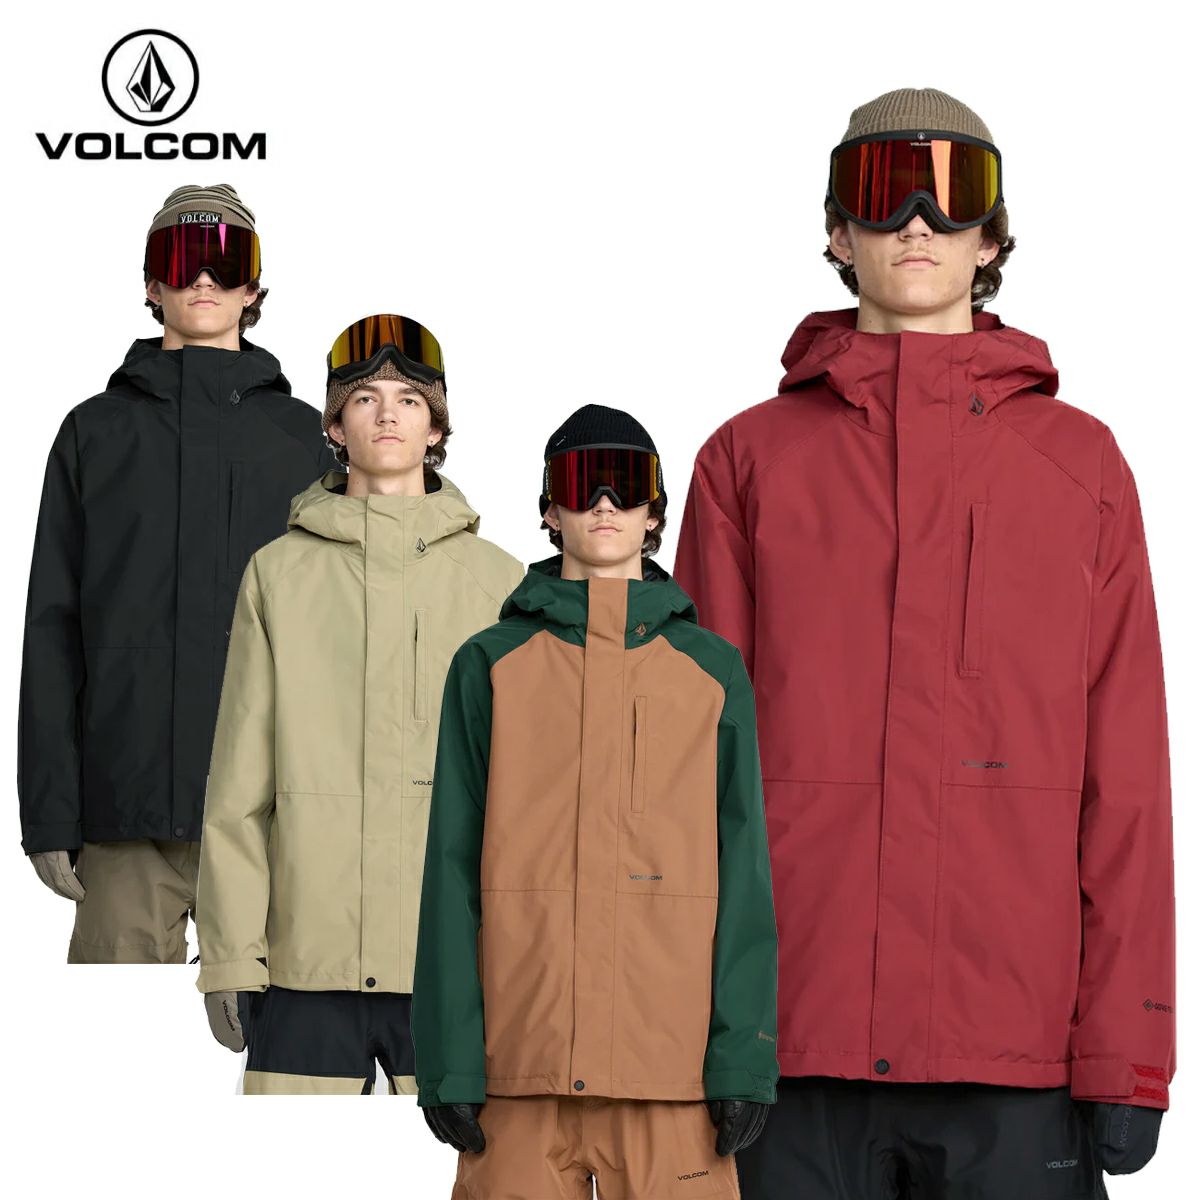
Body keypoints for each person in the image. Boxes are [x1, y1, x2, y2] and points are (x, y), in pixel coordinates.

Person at [674, 87, 1175, 1199]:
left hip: (1018, 1047)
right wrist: (695, 1031)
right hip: (791, 1044)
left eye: (953, 196)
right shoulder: (747, 462)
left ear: (992, 240)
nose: (915, 221)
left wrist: (1128, 1047)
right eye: (880, 192)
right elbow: (692, 771)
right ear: (836, 233)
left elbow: (1128, 775)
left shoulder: (1081, 465)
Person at [413, 404, 778, 1198]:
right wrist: (447, 1061)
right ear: (550, 509)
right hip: (518, 1069)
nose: (605, 503)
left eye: (627, 484)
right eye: (582, 484)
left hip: (672, 1075)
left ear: (655, 512)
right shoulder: (490, 664)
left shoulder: (711, 670)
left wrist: (743, 1057)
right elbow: (449, 870)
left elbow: (745, 873)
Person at [194, 314, 524, 1094]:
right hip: (305, 961)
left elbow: (529, 796)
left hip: (452, 964)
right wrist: (231, 955)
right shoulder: (278, 574)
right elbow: (239, 788)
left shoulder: (499, 582)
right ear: (335, 426)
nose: (386, 414)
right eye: (365, 398)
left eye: (409, 399)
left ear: (436, 427)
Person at [18, 183, 335, 963]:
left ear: (253, 288)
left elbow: (339, 634)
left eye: (225, 262)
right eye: (181, 259)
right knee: (113, 1032)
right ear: (151, 283)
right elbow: (52, 629)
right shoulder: (94, 433)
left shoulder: (305, 441)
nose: (202, 279)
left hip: (272, 811)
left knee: (278, 1035)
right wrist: (50, 812)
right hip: (125, 808)